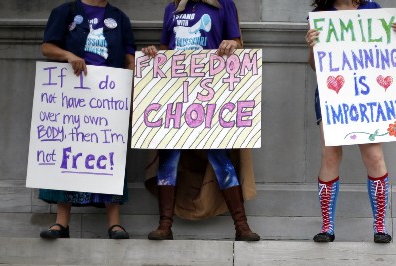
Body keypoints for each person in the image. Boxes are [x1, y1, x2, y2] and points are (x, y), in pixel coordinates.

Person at [142, 0, 260, 241]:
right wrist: (154, 53)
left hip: (212, 93)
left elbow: (236, 41)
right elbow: (166, 48)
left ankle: (241, 225)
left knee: (219, 156)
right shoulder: (172, 8)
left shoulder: (223, 4)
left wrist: (231, 44)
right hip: (176, 93)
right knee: (169, 155)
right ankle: (165, 224)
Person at [306, 0, 396, 244]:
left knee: (374, 156)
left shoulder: (372, 10)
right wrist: (312, 46)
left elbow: (384, 57)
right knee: (330, 154)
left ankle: (380, 226)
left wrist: (394, 36)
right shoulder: (321, 15)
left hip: (369, 95)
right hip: (332, 95)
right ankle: (327, 227)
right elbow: (314, 65)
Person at [38, 0, 135, 239]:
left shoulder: (119, 17)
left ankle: (114, 223)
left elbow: (129, 56)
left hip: (108, 97)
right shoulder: (65, 11)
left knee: (109, 153)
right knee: (67, 153)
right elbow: (47, 47)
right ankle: (62, 223)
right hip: (73, 94)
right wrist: (69, 55)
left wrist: (132, 83)